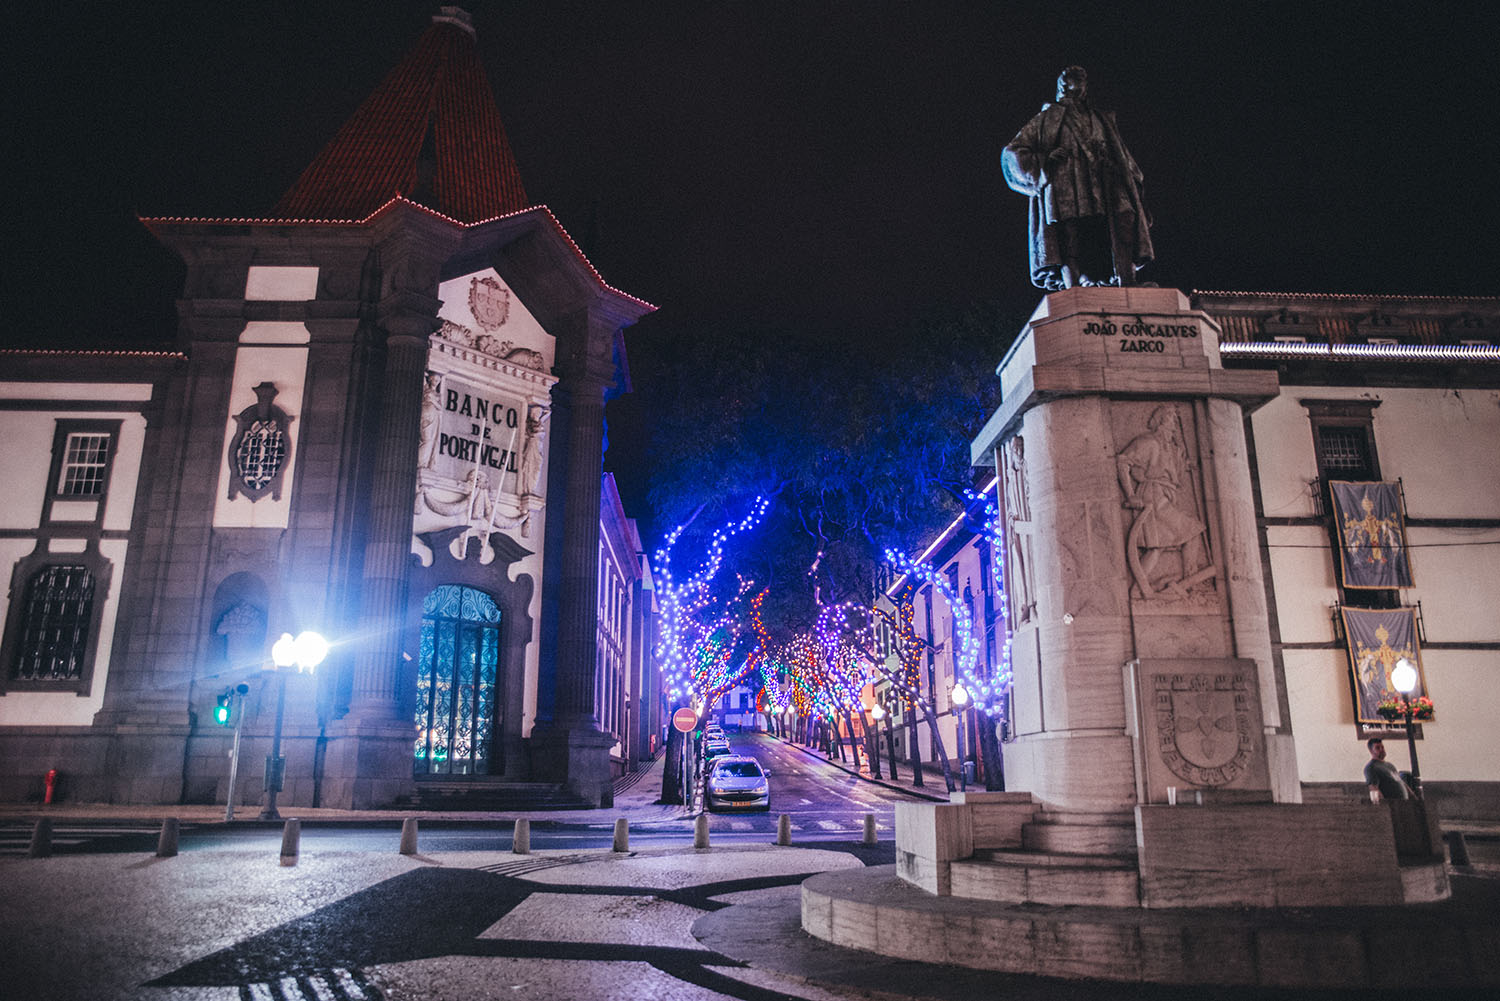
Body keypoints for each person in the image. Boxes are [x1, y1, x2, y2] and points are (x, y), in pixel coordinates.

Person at [1002, 66, 1154, 290]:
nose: (1080, 86)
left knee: (1124, 221)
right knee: (1069, 232)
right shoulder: (1048, 118)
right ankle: (1073, 285)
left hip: (1105, 180)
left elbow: (1122, 155)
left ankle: (1126, 279)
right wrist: (1044, 160)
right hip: (1067, 180)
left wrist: (1129, 179)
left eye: (1082, 81)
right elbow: (1012, 153)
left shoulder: (1102, 119)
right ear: (1063, 86)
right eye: (1074, 81)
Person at [1364, 737, 1411, 802]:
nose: (1381, 750)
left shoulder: (1390, 765)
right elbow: (1374, 789)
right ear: (1371, 751)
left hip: (1404, 803)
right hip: (1392, 806)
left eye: (1382, 747)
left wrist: (1414, 797)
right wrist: (1385, 807)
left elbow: (1401, 782)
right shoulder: (1371, 767)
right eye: (1377, 748)